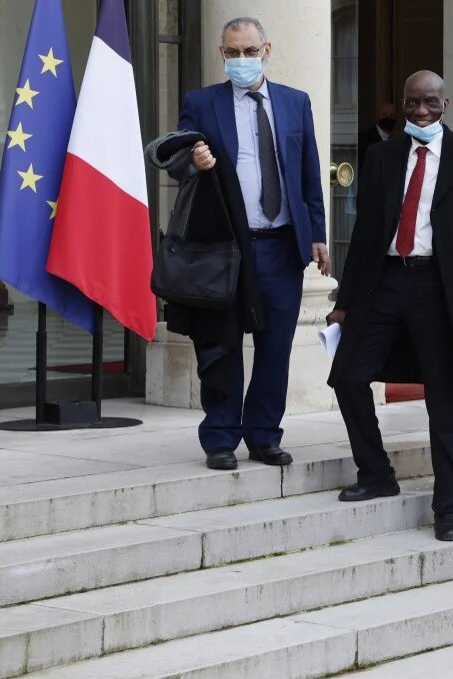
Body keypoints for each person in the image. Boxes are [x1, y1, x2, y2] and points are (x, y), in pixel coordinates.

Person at [327, 70, 453, 542]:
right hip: (385, 283)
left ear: (447, 104)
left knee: (442, 401)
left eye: (430, 103)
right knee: (348, 376)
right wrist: (345, 302)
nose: (421, 112)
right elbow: (364, 236)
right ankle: (376, 472)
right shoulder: (381, 157)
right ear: (402, 105)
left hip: (440, 292)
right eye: (412, 103)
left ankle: (448, 509)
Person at [180, 16, 329, 471]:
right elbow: (176, 162)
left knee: (275, 345)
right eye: (231, 53)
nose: (240, 60)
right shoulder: (201, 103)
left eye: (248, 51)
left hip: (281, 245)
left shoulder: (294, 102)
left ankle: (264, 435)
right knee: (221, 344)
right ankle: (220, 437)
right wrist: (193, 158)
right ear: (221, 55)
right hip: (225, 247)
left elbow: (308, 171)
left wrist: (318, 233)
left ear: (267, 51)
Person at [358, 102, 397, 169]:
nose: (388, 118)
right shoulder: (363, 139)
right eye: (384, 115)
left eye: (392, 115)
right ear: (376, 117)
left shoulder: (398, 141)